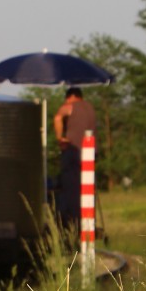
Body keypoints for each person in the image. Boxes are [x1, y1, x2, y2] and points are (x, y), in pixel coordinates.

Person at [53, 86, 96, 234]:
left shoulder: (70, 106)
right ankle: (87, 222)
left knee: (70, 189)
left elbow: (57, 117)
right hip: (89, 154)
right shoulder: (90, 108)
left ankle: (71, 223)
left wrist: (60, 138)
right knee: (86, 189)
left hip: (73, 152)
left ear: (71, 97)